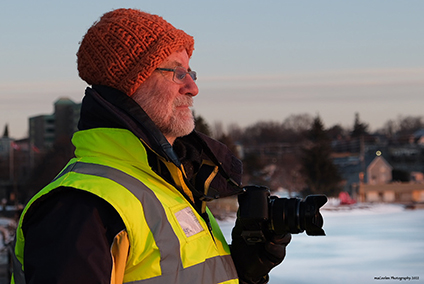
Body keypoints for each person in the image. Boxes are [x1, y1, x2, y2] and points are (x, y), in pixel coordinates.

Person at [11, 8, 291, 284]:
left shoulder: (166, 187)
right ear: (128, 85)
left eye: (191, 72)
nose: (193, 87)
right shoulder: (82, 209)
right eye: (177, 73)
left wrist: (242, 270)